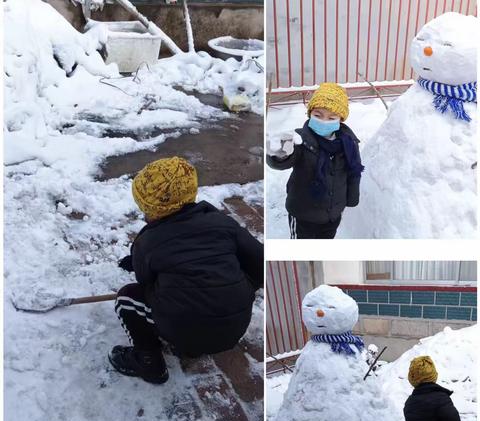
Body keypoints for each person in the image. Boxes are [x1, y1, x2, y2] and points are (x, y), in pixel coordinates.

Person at [110, 157, 264, 384]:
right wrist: (233, 286)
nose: (144, 213)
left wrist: (145, 262)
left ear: (153, 209)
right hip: (235, 327)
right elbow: (260, 265)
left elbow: (145, 283)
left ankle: (149, 362)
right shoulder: (223, 224)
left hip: (184, 333)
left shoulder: (148, 242)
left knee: (126, 298)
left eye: (145, 208)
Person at [267, 83, 364, 239]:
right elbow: (284, 160)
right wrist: (279, 155)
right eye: (318, 115)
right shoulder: (300, 139)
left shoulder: (349, 143)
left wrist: (352, 199)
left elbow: (353, 174)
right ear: (310, 113)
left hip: (333, 214)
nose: (324, 121)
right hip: (303, 214)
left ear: (340, 120)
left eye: (331, 117)